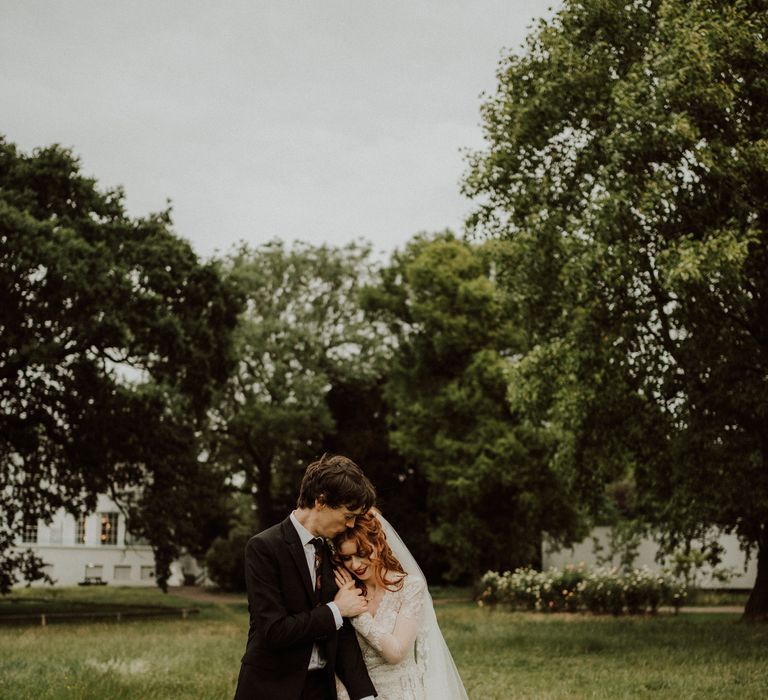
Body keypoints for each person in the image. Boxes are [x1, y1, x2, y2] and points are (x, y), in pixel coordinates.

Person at [234, 454, 379, 700]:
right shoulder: (264, 547)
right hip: (270, 688)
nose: (352, 524)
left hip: (320, 689)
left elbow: (341, 633)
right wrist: (336, 610)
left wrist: (364, 696)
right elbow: (274, 630)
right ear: (321, 501)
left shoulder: (331, 550)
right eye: (348, 515)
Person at [332, 510, 468, 700]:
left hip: (403, 693)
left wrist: (357, 614)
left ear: (378, 544)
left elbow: (396, 653)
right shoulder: (343, 592)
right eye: (347, 558)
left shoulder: (409, 587)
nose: (355, 565)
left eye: (361, 553)